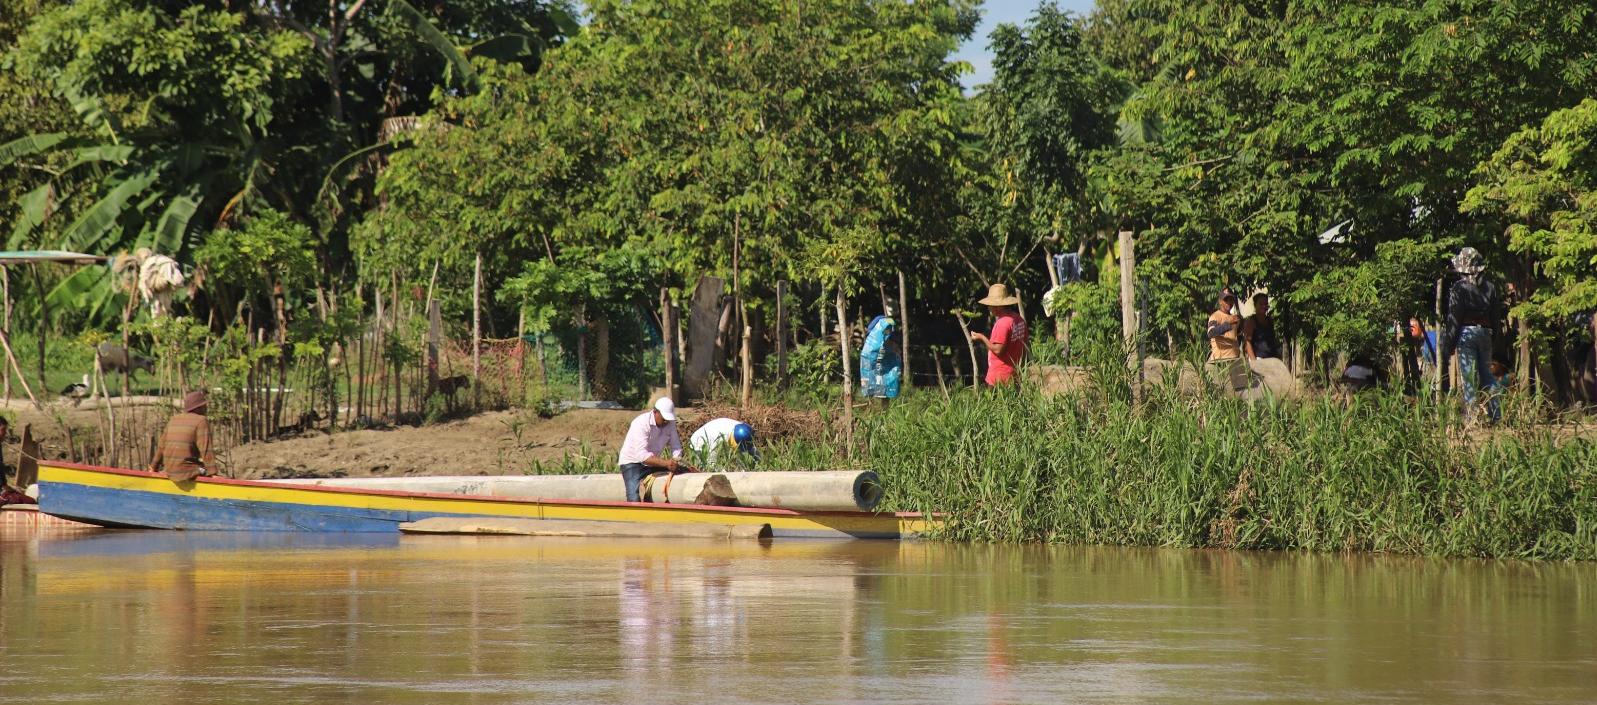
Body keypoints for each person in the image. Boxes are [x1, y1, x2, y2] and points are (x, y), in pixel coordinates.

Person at [1442, 247, 1502, 423]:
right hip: (1486, 333)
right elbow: (1496, 317)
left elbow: (1454, 318)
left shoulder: (1459, 288)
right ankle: (1497, 415)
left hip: (1466, 334)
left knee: (1468, 377)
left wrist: (1448, 345)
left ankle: (1472, 417)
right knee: (1487, 376)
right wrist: (1495, 338)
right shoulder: (1490, 287)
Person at [617, 397, 690, 502]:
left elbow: (676, 446)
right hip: (632, 463)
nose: (666, 421)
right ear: (655, 412)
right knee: (634, 497)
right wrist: (666, 463)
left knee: (684, 472)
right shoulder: (641, 423)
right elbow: (642, 456)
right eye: (664, 418)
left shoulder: (670, 424)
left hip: (652, 463)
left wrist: (676, 460)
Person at [969, 284, 1028, 386]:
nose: (989, 308)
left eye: (990, 305)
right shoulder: (1018, 319)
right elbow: (1025, 342)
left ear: (997, 307)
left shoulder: (1002, 323)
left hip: (1000, 376)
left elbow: (998, 350)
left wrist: (981, 337)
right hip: (1015, 373)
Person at [150, 391, 216, 482]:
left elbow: (161, 446)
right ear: (199, 408)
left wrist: (153, 466)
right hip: (187, 472)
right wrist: (213, 473)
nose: (206, 408)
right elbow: (206, 449)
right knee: (203, 470)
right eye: (204, 406)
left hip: (169, 471)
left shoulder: (174, 419)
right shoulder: (201, 420)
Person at [1206, 288, 1248, 393]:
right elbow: (1211, 333)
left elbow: (1238, 337)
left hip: (1235, 360)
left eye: (1231, 299)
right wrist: (1228, 324)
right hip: (1220, 361)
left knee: (1243, 392)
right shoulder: (1215, 316)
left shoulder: (1234, 318)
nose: (1229, 302)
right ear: (1220, 301)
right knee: (1220, 393)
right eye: (1226, 300)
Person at [859, 310, 902, 404]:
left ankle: (878, 407)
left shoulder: (881, 325)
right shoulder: (884, 324)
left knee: (880, 384)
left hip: (879, 357)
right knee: (879, 385)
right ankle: (878, 407)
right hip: (879, 357)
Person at [688, 418, 759, 470]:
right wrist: (723, 472)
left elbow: (752, 449)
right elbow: (711, 462)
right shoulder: (717, 437)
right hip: (698, 443)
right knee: (703, 468)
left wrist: (759, 461)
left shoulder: (744, 429)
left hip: (719, 434)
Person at [1241, 292, 1281, 360]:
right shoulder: (1251, 322)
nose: (1264, 306)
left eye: (1265, 304)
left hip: (1271, 358)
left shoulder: (1270, 320)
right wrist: (1254, 361)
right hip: (1258, 358)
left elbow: (1273, 340)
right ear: (1255, 305)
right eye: (1261, 304)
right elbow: (1248, 342)